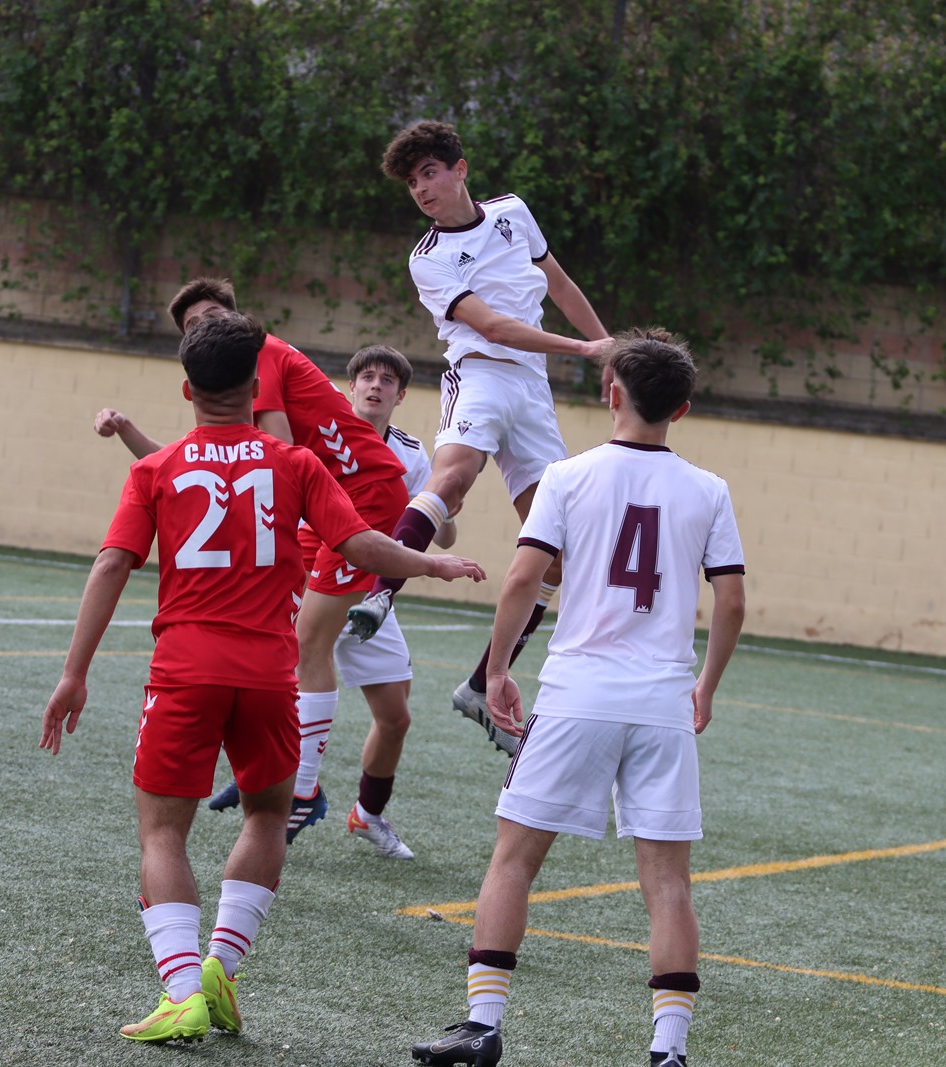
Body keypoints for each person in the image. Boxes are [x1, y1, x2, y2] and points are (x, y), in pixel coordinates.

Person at [43, 312, 485, 1044]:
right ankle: (221, 967)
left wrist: (74, 673)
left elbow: (113, 563)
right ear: (256, 388)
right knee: (268, 816)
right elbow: (360, 543)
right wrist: (431, 562)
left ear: (187, 390)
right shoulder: (297, 464)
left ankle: (181, 991)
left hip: (185, 671)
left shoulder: (155, 469)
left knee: (163, 831)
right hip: (271, 673)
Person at [407, 328, 746, 1067]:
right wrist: (707, 685)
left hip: (576, 696)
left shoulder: (566, 477)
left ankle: (482, 1027)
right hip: (662, 703)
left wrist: (496, 669)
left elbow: (523, 578)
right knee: (668, 881)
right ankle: (668, 1050)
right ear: (682, 410)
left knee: (513, 860)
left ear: (610, 393)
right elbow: (731, 601)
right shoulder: (709, 489)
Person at [95, 343, 458, 861]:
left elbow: (428, 527)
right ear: (349, 387)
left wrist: (442, 511)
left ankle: (365, 812)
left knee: (396, 716)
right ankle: (297, 787)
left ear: (401, 395)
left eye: (387, 380)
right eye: (367, 377)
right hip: (314, 574)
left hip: (364, 583)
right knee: (295, 659)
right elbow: (195, 466)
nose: (375, 386)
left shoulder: (408, 455)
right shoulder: (313, 433)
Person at [348, 119, 617, 758]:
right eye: (412, 182)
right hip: (480, 374)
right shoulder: (428, 258)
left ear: (459, 169)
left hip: (533, 389)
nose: (421, 189)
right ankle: (381, 593)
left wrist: (607, 346)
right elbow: (492, 327)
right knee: (455, 475)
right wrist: (584, 349)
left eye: (429, 173)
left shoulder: (513, 213)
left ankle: (479, 685)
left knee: (558, 551)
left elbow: (559, 283)